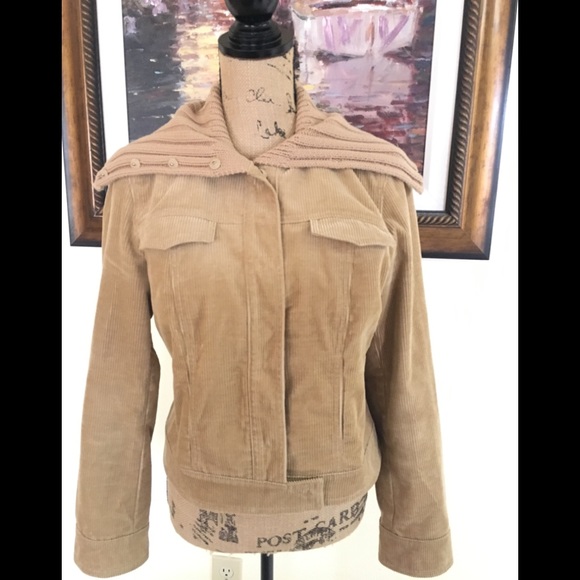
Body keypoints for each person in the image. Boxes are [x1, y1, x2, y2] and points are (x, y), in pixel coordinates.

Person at [74, 1, 452, 577]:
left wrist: (417, 535)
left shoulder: (373, 177)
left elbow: (403, 369)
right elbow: (118, 378)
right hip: (206, 498)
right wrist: (109, 536)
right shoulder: (145, 180)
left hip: (334, 495)